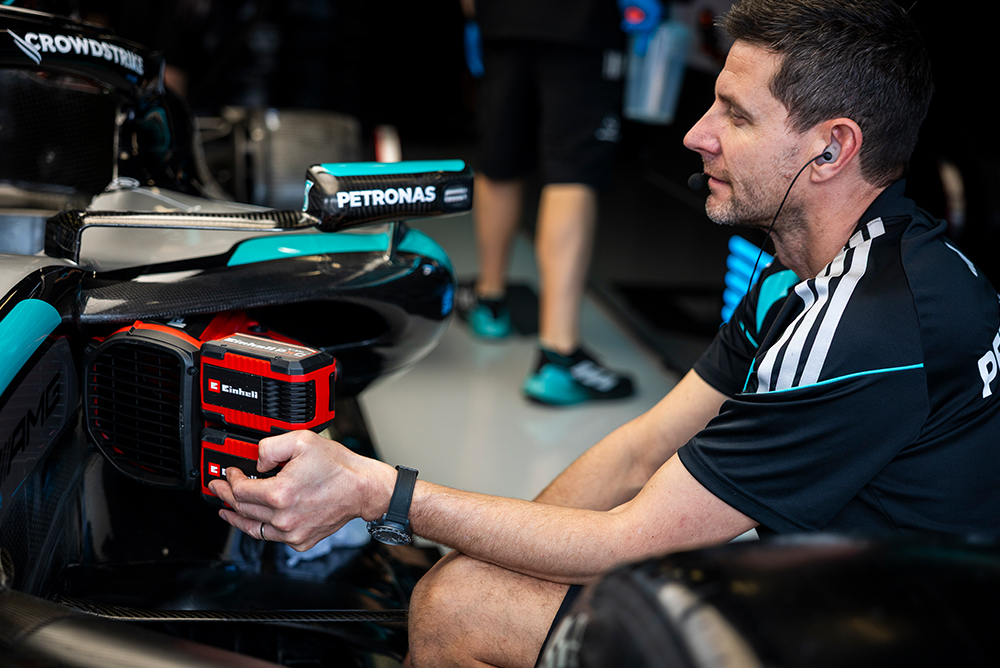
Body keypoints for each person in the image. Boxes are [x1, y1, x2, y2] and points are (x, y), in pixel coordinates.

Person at [208, 0, 1000, 665]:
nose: (697, 133)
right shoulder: (815, 271)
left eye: (736, 115)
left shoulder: (862, 330)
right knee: (469, 579)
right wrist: (490, 550)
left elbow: (628, 539)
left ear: (832, 148)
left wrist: (375, 491)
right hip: (846, 584)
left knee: (460, 610)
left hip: (887, 637)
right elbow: (638, 449)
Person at [454, 0, 656, 406]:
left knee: (501, 159)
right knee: (573, 171)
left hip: (504, 19)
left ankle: (490, 302)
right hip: (579, 19)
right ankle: (559, 355)